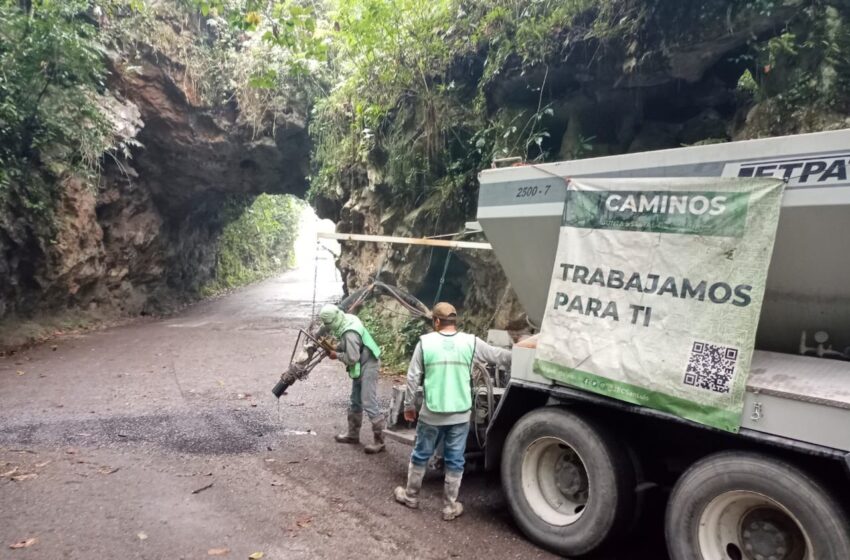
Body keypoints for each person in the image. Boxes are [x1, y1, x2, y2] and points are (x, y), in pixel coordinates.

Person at [393, 302, 511, 520]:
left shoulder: (425, 343)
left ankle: (410, 496)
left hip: (432, 412)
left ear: (436, 321)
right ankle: (449, 506)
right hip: (460, 413)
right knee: (455, 459)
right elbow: (498, 356)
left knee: (421, 453)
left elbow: (412, 377)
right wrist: (525, 352)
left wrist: (409, 406)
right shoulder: (471, 342)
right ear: (454, 321)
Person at [319, 304, 386, 454]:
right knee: (356, 400)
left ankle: (380, 440)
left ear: (334, 319)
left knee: (368, 401)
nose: (328, 327)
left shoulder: (350, 332)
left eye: (328, 324)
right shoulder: (347, 319)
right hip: (362, 362)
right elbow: (350, 346)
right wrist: (336, 346)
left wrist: (336, 355)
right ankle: (353, 434)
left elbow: (352, 357)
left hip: (369, 363)